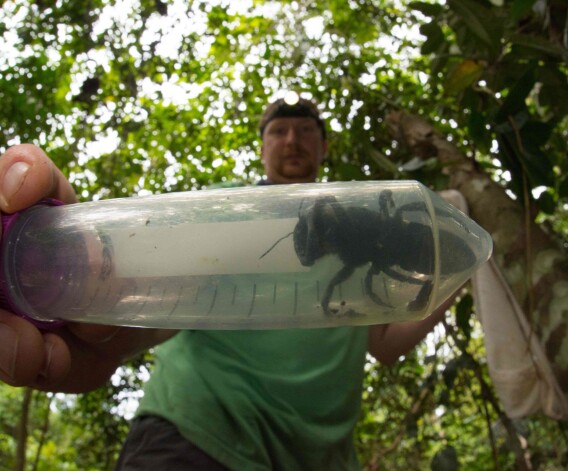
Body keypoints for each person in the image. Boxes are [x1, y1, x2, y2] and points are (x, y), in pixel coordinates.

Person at [0, 95, 454, 469]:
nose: (292, 139)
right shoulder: (227, 208)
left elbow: (386, 342)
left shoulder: (370, 217)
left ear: (324, 148)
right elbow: (165, 302)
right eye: (278, 131)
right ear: (261, 147)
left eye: (305, 130)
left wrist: (455, 275)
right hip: (199, 436)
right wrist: (101, 330)